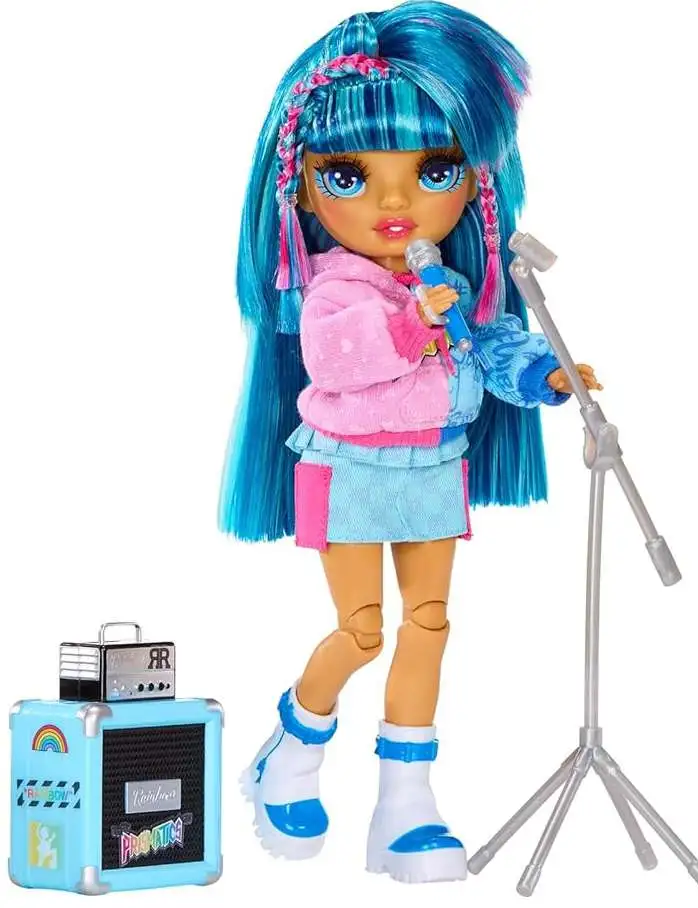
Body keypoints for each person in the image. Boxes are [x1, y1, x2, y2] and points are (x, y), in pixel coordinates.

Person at [219, 1, 600, 883]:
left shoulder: (449, 279)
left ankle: (406, 805)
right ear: (299, 187)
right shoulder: (330, 288)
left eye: (434, 170)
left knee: (428, 625)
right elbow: (337, 359)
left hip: (433, 464)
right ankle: (294, 750)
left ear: (477, 183)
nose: (395, 201)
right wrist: (416, 323)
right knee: (361, 632)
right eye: (350, 175)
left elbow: (487, 345)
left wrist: (543, 374)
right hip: (349, 469)